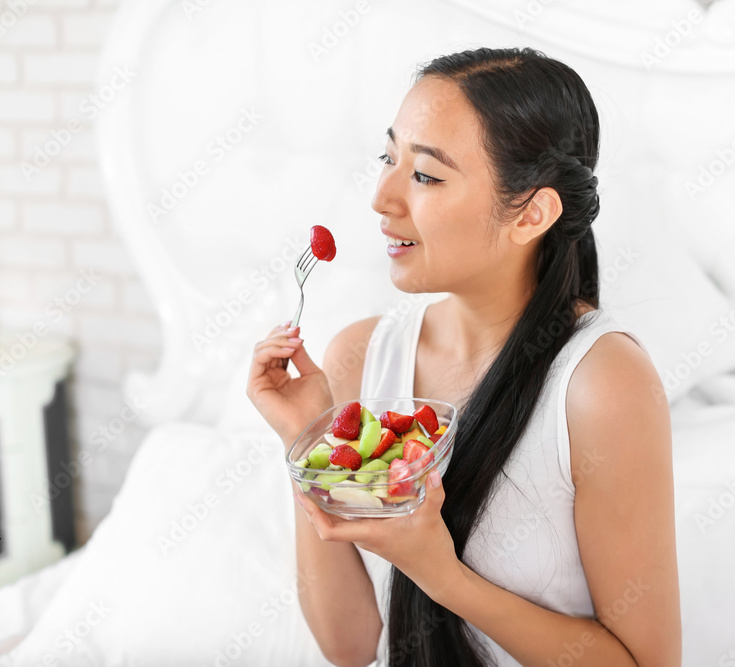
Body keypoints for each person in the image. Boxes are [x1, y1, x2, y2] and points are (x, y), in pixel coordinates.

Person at [247, 46, 681, 667]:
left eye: (425, 175)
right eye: (388, 158)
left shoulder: (603, 386)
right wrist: (303, 442)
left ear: (531, 212)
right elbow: (349, 646)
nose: (382, 197)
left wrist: (441, 574)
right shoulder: (357, 359)